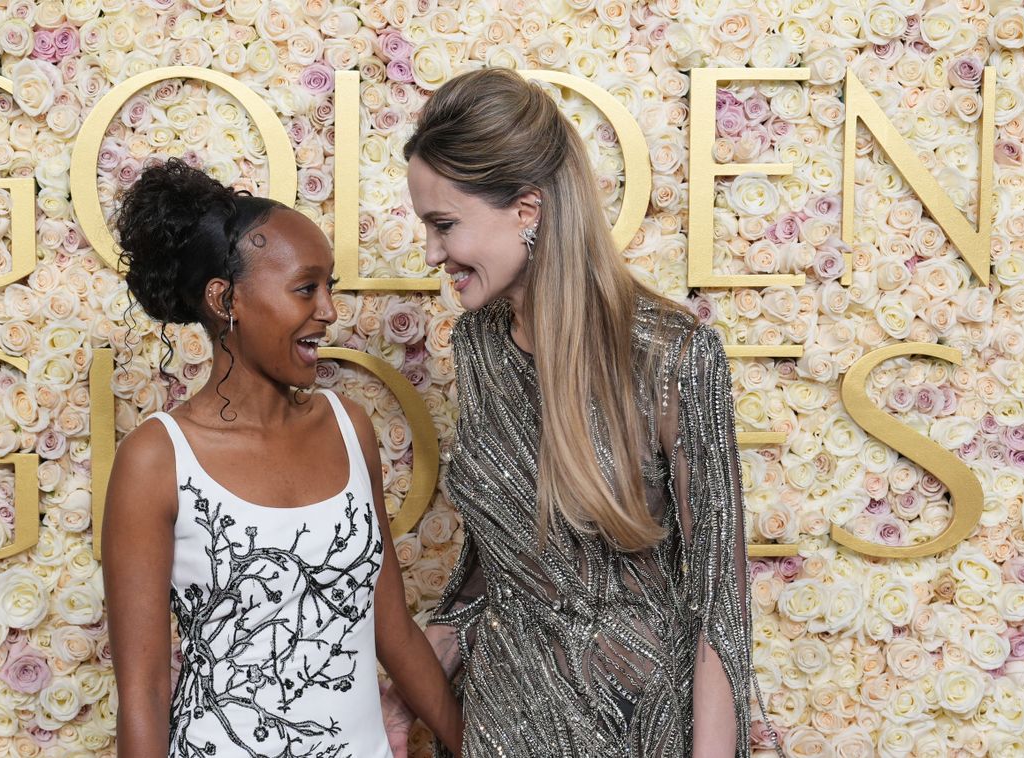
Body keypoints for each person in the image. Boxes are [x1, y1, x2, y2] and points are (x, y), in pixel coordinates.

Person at [380, 68, 771, 757]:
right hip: (501, 721)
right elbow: (497, 566)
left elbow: (717, 599)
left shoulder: (670, 354)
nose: (434, 253)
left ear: (526, 210)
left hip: (638, 725)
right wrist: (400, 686)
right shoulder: (476, 345)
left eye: (444, 225)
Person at [101, 159, 462, 758]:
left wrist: (471, 745)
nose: (328, 310)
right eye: (305, 288)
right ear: (225, 300)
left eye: (330, 288)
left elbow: (391, 627)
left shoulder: (350, 426)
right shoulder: (157, 458)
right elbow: (142, 691)